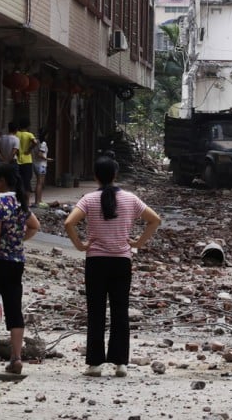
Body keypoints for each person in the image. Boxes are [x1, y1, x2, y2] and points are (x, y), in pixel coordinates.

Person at [64, 157, 161, 377]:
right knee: (120, 310)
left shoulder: (89, 199)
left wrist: (80, 245)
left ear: (96, 176)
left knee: (96, 311)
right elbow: (155, 220)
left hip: (96, 261)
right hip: (122, 261)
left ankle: (95, 364)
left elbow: (69, 223)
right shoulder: (130, 199)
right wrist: (138, 242)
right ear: (115, 175)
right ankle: (120, 363)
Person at [0, 163, 41, 376]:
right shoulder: (19, 201)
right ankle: (16, 358)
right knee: (14, 309)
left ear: (1, 181)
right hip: (16, 261)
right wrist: (17, 240)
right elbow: (34, 225)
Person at [15, 119, 37, 200]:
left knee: (18, 182)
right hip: (27, 161)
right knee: (27, 182)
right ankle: (26, 203)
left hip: (17, 161)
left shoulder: (16, 134)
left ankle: (19, 201)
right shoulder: (29, 134)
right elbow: (35, 142)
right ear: (28, 126)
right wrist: (29, 149)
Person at [32, 131, 51, 206]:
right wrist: (47, 159)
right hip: (41, 165)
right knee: (40, 183)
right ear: (45, 135)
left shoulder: (36, 142)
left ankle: (38, 200)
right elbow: (40, 154)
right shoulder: (43, 143)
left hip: (35, 164)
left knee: (38, 182)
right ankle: (38, 201)